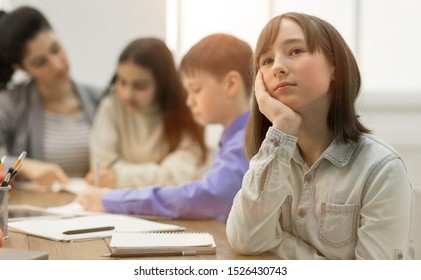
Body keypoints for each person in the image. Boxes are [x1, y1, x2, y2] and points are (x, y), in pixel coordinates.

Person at [226, 12, 413, 259]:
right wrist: (282, 124)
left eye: (295, 51)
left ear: (334, 67)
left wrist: (279, 244)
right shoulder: (273, 159)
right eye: (267, 60)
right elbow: (245, 239)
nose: (278, 67)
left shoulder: (381, 169)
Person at [76, 33, 252, 222]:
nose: (189, 101)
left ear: (232, 84)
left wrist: (111, 198)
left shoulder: (244, 142)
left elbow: (205, 196)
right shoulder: (233, 139)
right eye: (122, 82)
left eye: (195, 90)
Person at [84, 38, 209, 188]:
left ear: (162, 83)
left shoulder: (188, 108)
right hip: (114, 204)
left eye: (140, 86)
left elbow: (178, 176)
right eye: (122, 82)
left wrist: (120, 177)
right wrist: (156, 174)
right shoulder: (111, 105)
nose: (127, 94)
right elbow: (102, 169)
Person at [0, 7, 101, 187]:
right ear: (22, 68)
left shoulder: (100, 100)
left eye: (56, 49)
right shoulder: (8, 105)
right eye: (40, 62)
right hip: (37, 211)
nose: (56, 65)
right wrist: (25, 167)